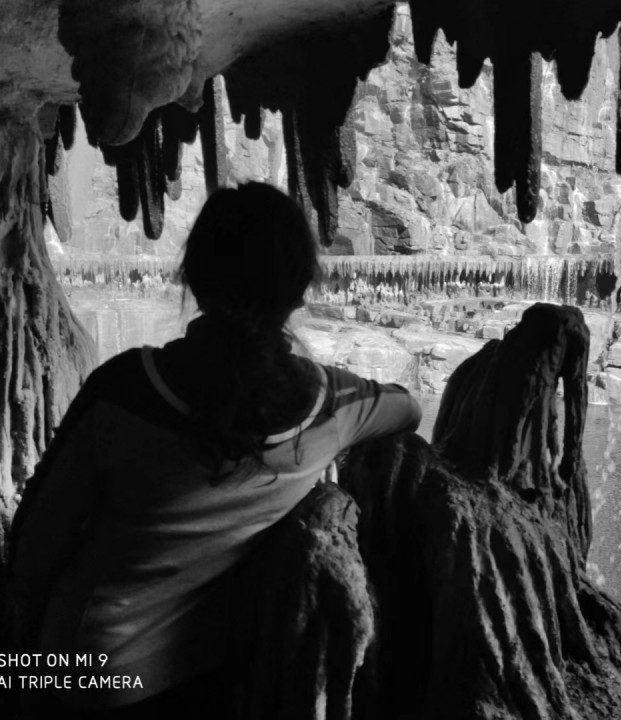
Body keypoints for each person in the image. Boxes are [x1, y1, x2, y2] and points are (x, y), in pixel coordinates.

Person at [5, 183, 421, 717]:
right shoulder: (328, 410)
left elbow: (37, 542)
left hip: (83, 669)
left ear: (195, 280)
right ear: (299, 292)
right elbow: (408, 409)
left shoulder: (125, 388)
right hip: (208, 672)